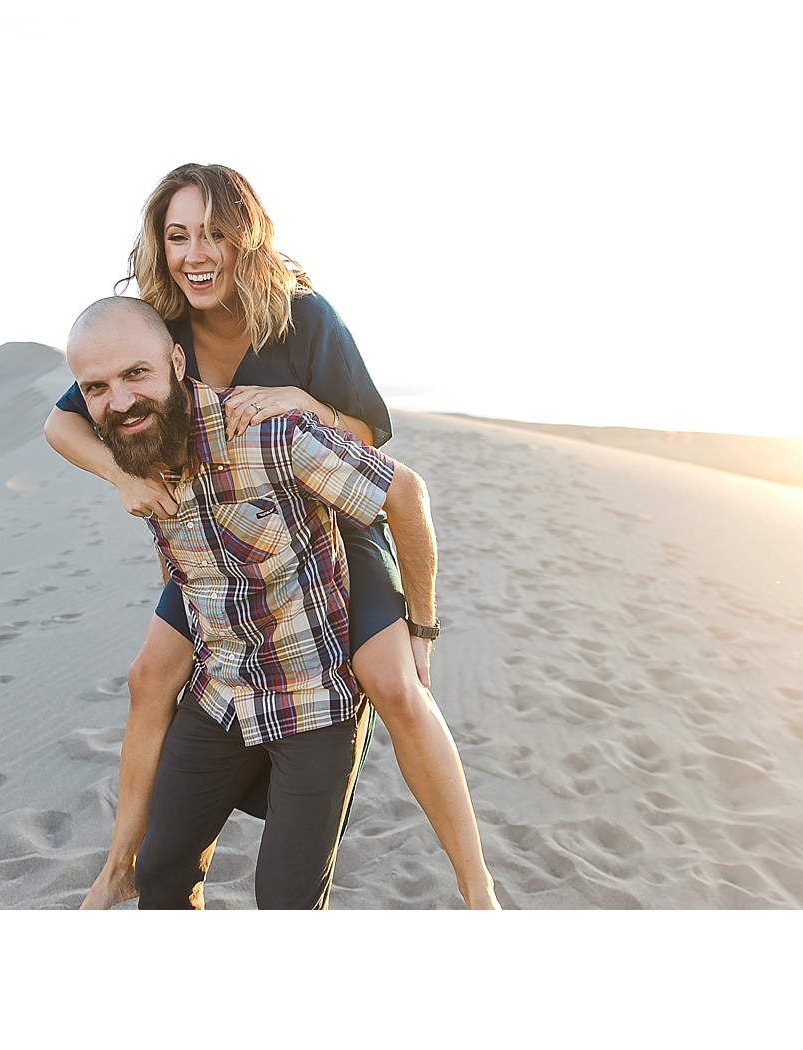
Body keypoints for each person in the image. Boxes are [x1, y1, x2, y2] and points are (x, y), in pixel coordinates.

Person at [46, 163, 497, 909]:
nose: (195, 253)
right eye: (177, 235)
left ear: (245, 238)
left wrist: (300, 401)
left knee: (392, 682)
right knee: (148, 676)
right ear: (158, 246)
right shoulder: (158, 325)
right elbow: (65, 421)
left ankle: (477, 885)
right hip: (225, 533)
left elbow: (370, 444)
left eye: (215, 234)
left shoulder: (301, 316)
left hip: (331, 522)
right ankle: (123, 861)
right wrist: (122, 478)